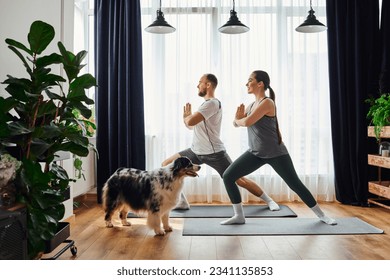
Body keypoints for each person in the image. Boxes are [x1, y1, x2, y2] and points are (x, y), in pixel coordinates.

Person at [221, 70, 337, 225]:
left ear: (260, 83)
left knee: (295, 184)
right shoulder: (251, 105)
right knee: (228, 176)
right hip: (255, 153)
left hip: (276, 153)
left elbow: (245, 122)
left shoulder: (267, 103)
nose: (246, 84)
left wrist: (239, 120)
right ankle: (239, 216)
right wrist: (238, 120)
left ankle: (322, 215)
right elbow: (236, 123)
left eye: (250, 80)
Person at [162, 73, 280, 211]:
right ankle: (181, 202)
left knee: (239, 179)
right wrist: (186, 118)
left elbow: (190, 121)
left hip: (214, 153)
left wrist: (187, 117)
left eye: (200, 82)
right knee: (167, 166)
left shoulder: (212, 103)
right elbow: (191, 126)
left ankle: (269, 200)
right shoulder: (205, 104)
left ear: (208, 85)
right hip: (195, 151)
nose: (197, 85)